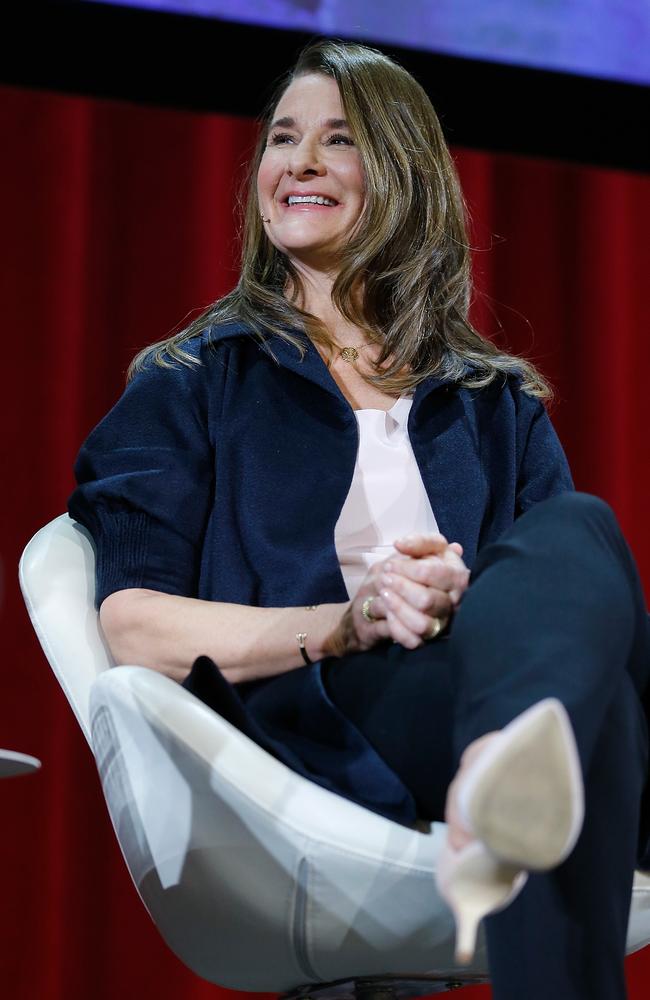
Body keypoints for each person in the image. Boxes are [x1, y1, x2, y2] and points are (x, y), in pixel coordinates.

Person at [67, 38, 650, 1000]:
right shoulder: (192, 383)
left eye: (338, 140)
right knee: (601, 731)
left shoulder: (494, 401)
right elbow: (132, 624)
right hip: (330, 721)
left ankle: (503, 756)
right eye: (283, 138)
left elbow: (579, 611)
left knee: (577, 533)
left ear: (404, 176)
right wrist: (348, 622)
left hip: (478, 685)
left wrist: (475, 603)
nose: (298, 161)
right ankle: (504, 769)